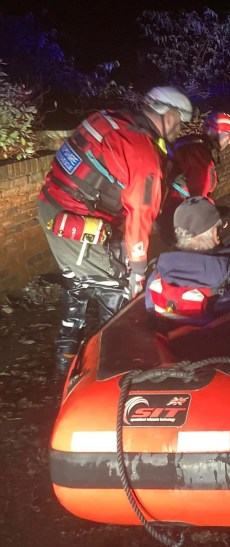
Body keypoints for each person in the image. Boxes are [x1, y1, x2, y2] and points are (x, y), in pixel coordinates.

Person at [37, 86, 193, 374]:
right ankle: (111, 371)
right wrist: (137, 273)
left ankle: (65, 367)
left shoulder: (111, 119)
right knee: (119, 297)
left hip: (55, 207)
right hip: (75, 221)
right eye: (180, 122)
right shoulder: (143, 154)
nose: (179, 130)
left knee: (79, 286)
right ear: (169, 116)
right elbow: (140, 218)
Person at [145, 197, 230, 326]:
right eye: (220, 226)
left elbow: (150, 307)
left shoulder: (157, 275)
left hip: (183, 342)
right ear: (215, 234)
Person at [157, 112, 230, 244]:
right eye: (229, 136)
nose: (229, 142)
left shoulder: (193, 146)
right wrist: (215, 218)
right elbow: (199, 197)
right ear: (218, 134)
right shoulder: (199, 155)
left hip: (174, 215)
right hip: (180, 221)